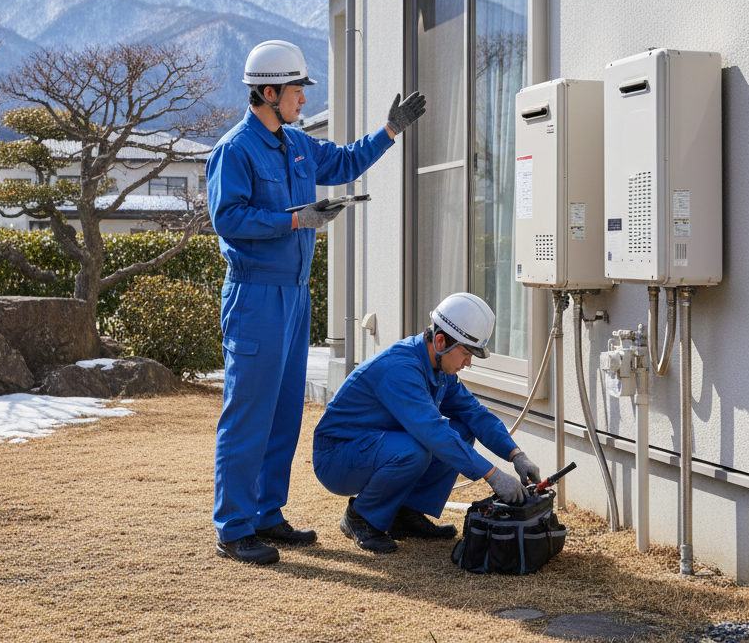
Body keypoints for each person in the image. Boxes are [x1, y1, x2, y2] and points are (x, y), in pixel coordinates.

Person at [206, 39, 427, 565]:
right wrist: (294, 219)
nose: (303, 99)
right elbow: (227, 219)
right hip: (255, 295)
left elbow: (347, 161)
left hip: (295, 297)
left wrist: (390, 131)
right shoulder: (234, 150)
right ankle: (233, 527)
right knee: (247, 416)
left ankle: (267, 514)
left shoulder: (299, 144)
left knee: (283, 413)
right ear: (268, 91)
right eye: (296, 91)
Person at [311, 292, 542, 554]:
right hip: (337, 456)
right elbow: (433, 432)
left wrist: (516, 455)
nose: (468, 363)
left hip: (371, 445)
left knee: (462, 430)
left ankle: (406, 514)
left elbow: (474, 413)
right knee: (417, 448)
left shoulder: (439, 368)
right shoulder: (400, 369)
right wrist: (493, 475)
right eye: (466, 353)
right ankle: (360, 518)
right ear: (441, 341)